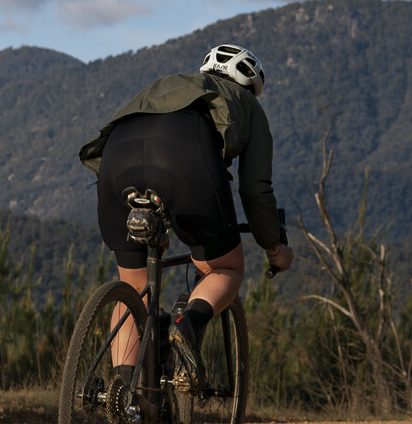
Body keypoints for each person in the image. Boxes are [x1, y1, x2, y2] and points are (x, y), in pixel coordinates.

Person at [78, 44, 294, 396]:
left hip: (115, 164)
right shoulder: (249, 105)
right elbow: (256, 191)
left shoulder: (169, 84)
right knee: (225, 269)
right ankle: (187, 323)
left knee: (132, 287)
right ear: (250, 85)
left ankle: (124, 395)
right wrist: (273, 248)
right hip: (184, 158)